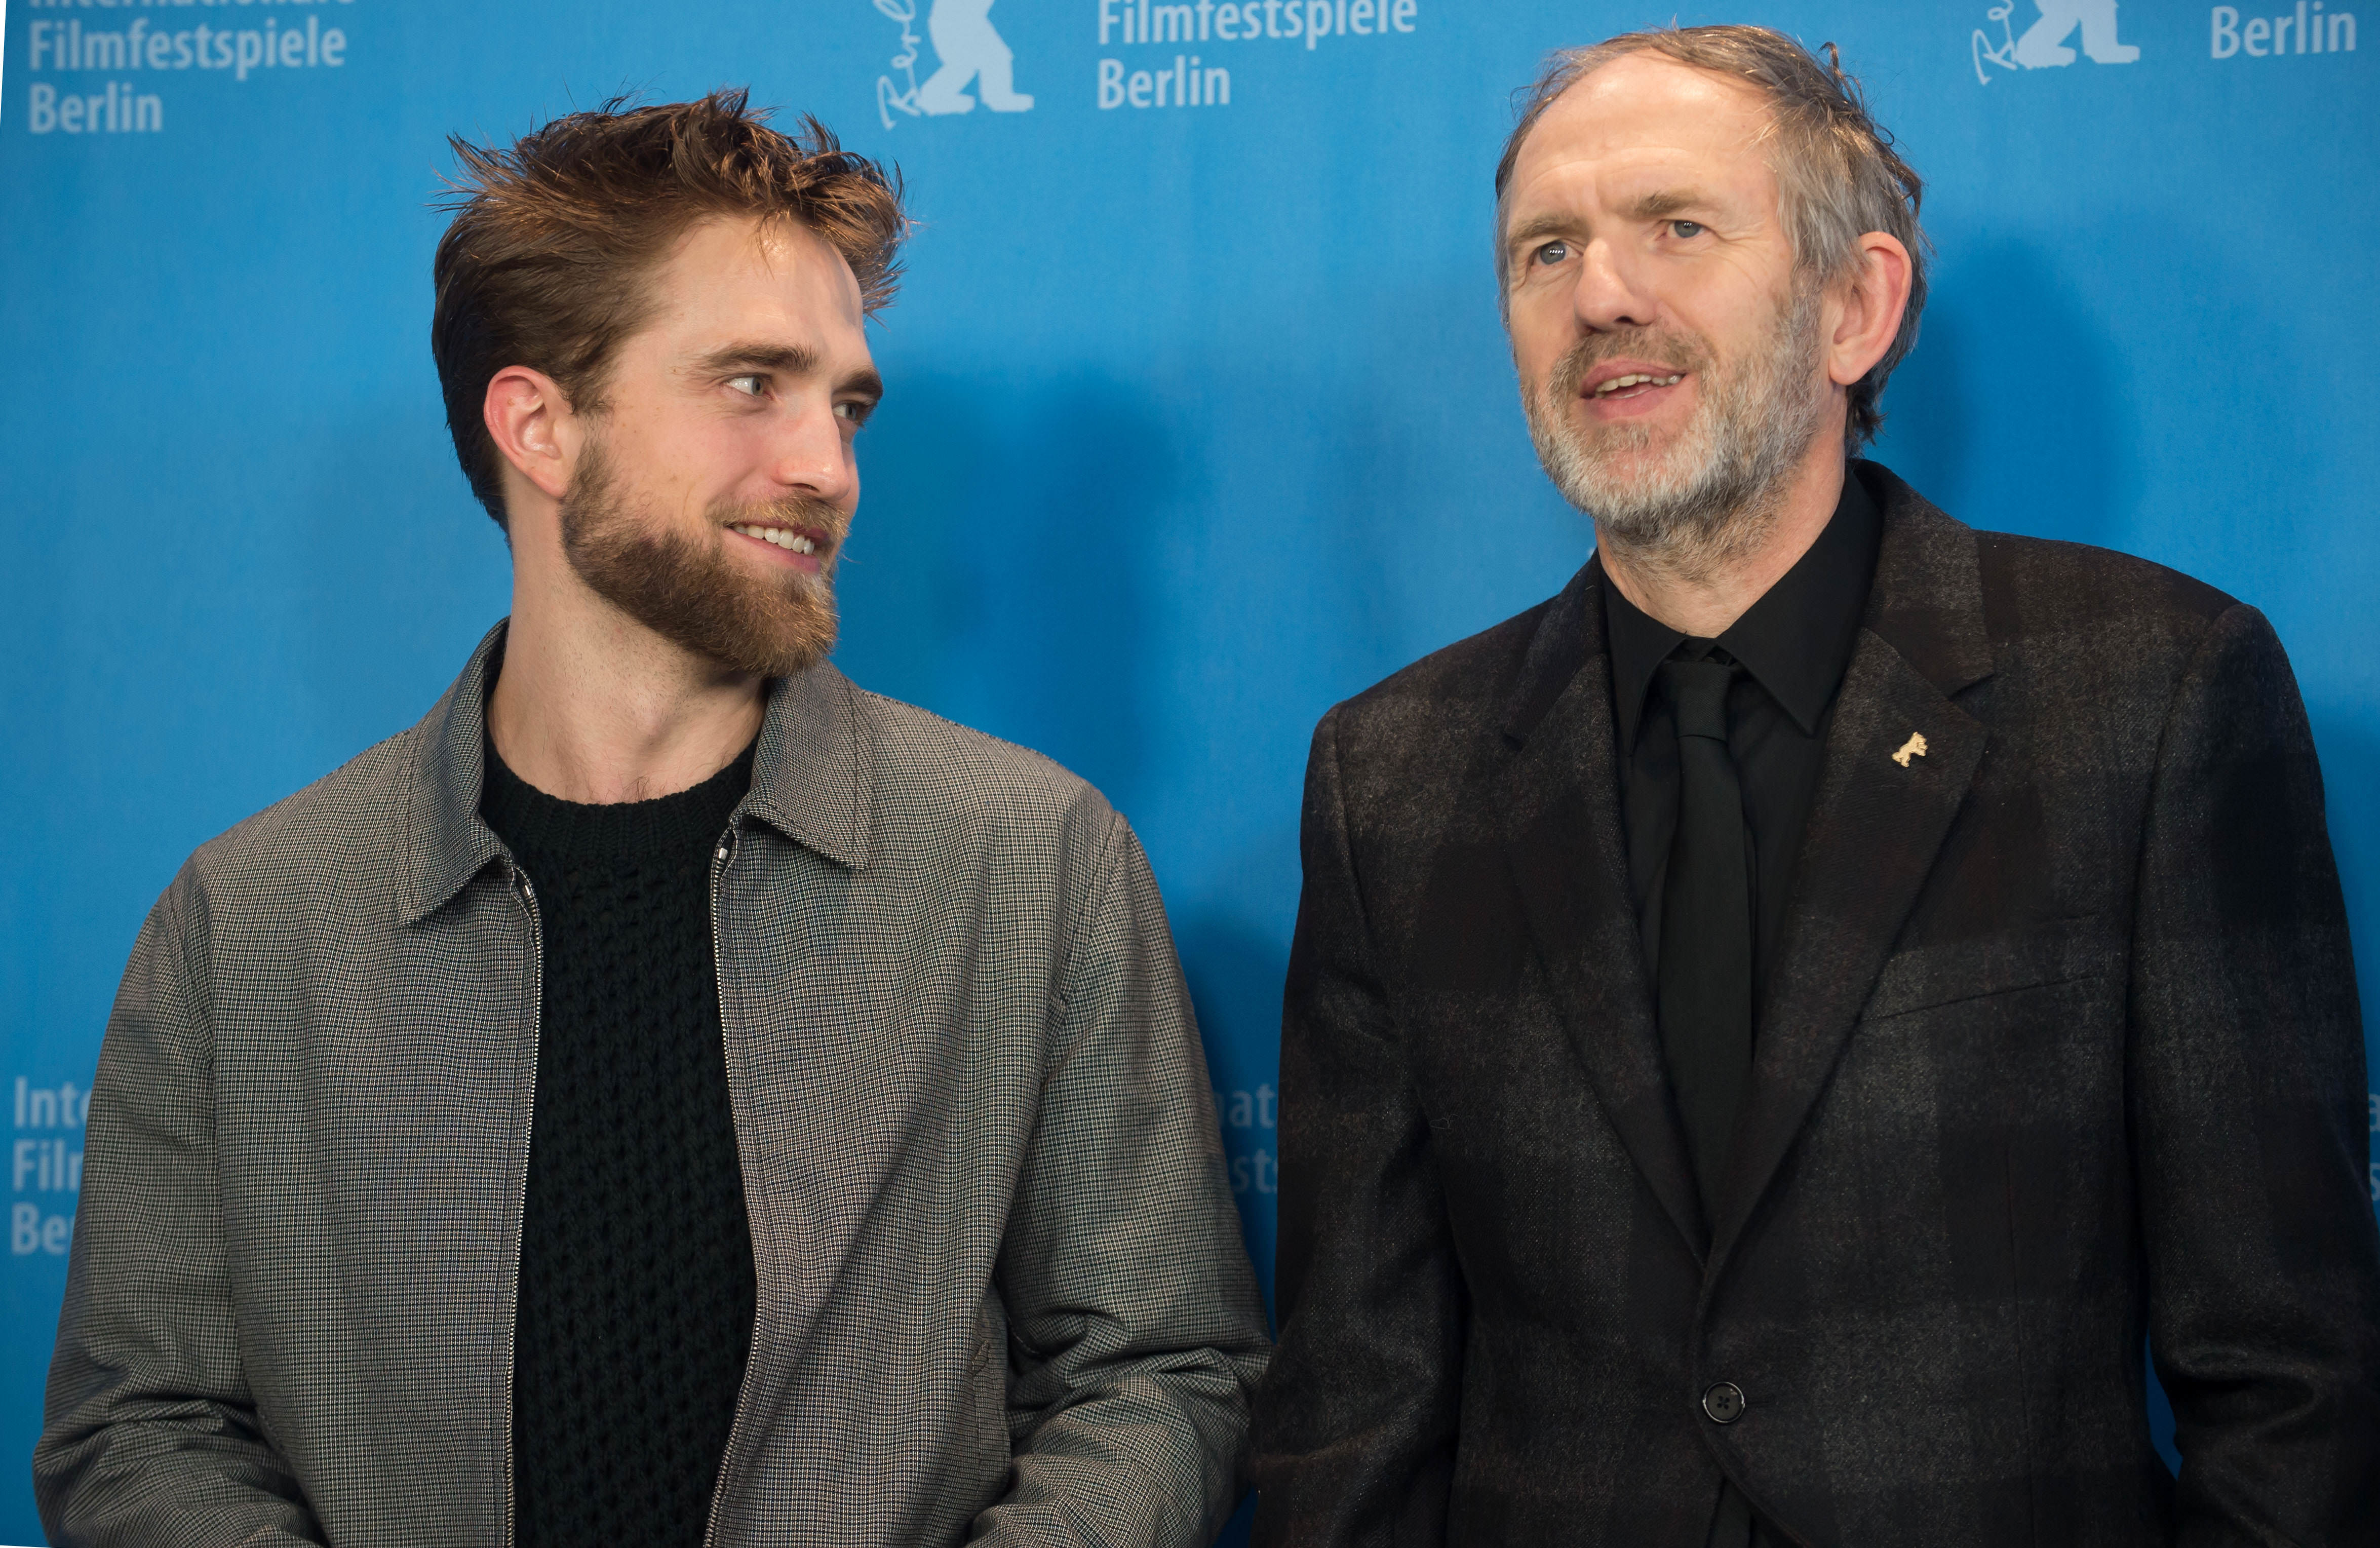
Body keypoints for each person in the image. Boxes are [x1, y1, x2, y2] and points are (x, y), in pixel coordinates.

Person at [35, 92, 1268, 1548]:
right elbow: (140, 1427)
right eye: (752, 384)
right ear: (540, 425)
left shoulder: (1032, 861)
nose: (827, 467)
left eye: (847, 404)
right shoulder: (247, 922)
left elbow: (1159, 1374)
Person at [1248, 25, 2380, 1546]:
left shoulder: (2150, 694)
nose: (1601, 294)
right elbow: (1353, 1408)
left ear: (1855, 307)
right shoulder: (1391, 775)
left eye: (1677, 227)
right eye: (1545, 250)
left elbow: (2288, 1384)